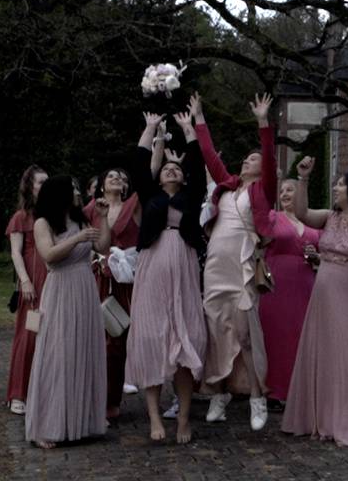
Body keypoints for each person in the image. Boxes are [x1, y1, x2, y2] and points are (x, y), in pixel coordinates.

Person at [282, 159, 348, 447]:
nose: (336, 188)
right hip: (323, 296)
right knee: (323, 353)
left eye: (340, 184)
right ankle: (320, 418)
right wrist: (304, 179)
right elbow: (301, 213)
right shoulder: (330, 217)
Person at [192, 92, 276, 431]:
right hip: (215, 267)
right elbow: (210, 156)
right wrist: (199, 116)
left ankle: (257, 396)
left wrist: (262, 122)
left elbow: (269, 157)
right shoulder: (226, 188)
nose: (248, 160)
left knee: (244, 333)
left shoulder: (262, 190)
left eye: (253, 159)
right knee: (215, 332)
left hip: (241, 268)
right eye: (246, 158)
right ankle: (219, 393)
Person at [124, 110, 208, 444]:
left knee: (185, 340)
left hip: (184, 266)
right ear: (159, 178)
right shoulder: (151, 195)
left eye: (177, 168)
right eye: (167, 168)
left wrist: (189, 128)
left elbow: (198, 165)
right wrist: (149, 127)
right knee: (150, 338)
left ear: (183, 177)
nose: (172, 169)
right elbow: (139, 162)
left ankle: (184, 419)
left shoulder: (191, 195)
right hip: (153, 265)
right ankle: (155, 417)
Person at [25, 176, 111, 449]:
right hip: (61, 289)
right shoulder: (43, 223)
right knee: (58, 354)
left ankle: (82, 422)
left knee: (83, 351)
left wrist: (103, 217)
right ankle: (47, 425)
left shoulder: (81, 220)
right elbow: (48, 255)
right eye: (72, 189)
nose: (76, 192)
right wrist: (77, 239)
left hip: (85, 289)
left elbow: (103, 246)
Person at [258, 178, 321, 404]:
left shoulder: (314, 223)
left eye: (290, 190)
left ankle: (300, 389)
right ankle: (273, 390)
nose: (284, 194)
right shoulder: (273, 218)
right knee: (275, 334)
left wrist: (317, 257)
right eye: (282, 190)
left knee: (301, 334)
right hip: (276, 283)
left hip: (305, 283)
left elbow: (328, 255)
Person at [83, 165, 139, 420]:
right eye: (111, 176)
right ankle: (90, 398)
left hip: (123, 280)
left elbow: (149, 169)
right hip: (96, 278)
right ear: (102, 184)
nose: (117, 178)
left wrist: (156, 138)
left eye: (121, 177)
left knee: (117, 339)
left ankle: (112, 400)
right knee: (93, 338)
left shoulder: (133, 206)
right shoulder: (89, 210)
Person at [5, 164, 48, 415]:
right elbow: (16, 252)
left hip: (53, 281)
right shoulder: (21, 217)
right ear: (30, 186)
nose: (44, 186)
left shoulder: (54, 216)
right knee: (29, 334)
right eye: (40, 182)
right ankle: (18, 393)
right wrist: (25, 281)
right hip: (33, 284)